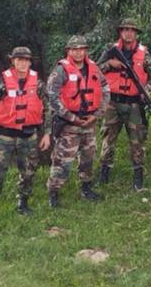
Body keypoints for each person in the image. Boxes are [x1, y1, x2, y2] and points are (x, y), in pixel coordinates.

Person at [0, 47, 51, 221]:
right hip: (5, 136)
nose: (23, 63)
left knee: (28, 172)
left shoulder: (38, 84)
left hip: (29, 136)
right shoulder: (2, 83)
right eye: (19, 59)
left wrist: (47, 133)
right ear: (13, 61)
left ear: (30, 62)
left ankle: (23, 203)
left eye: (26, 60)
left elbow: (48, 108)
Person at [46, 36, 110, 208]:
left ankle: (86, 188)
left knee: (88, 158)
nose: (78, 52)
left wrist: (97, 114)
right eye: (74, 49)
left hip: (90, 121)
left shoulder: (94, 68)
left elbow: (105, 89)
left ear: (85, 50)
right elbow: (52, 97)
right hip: (69, 124)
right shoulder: (61, 70)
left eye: (81, 49)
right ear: (68, 51)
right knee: (63, 161)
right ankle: (53, 193)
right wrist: (72, 118)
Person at [96, 18, 151, 191]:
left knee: (137, 140)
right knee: (108, 138)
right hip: (112, 103)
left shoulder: (144, 54)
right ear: (121, 32)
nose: (129, 33)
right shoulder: (110, 50)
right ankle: (104, 173)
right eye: (126, 29)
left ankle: (138, 177)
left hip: (134, 104)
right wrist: (109, 64)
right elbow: (95, 70)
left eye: (132, 30)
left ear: (136, 33)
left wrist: (147, 90)